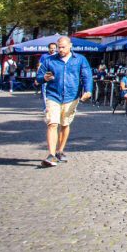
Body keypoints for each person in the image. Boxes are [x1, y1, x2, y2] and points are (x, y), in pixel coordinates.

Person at [36, 36, 93, 167]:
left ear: (70, 46)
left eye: (63, 47)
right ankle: (51, 155)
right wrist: (43, 78)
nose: (60, 50)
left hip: (71, 96)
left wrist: (88, 90)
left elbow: (86, 76)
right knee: (52, 123)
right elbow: (39, 77)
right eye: (59, 47)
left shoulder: (80, 59)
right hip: (53, 95)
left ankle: (60, 150)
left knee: (65, 123)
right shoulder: (50, 60)